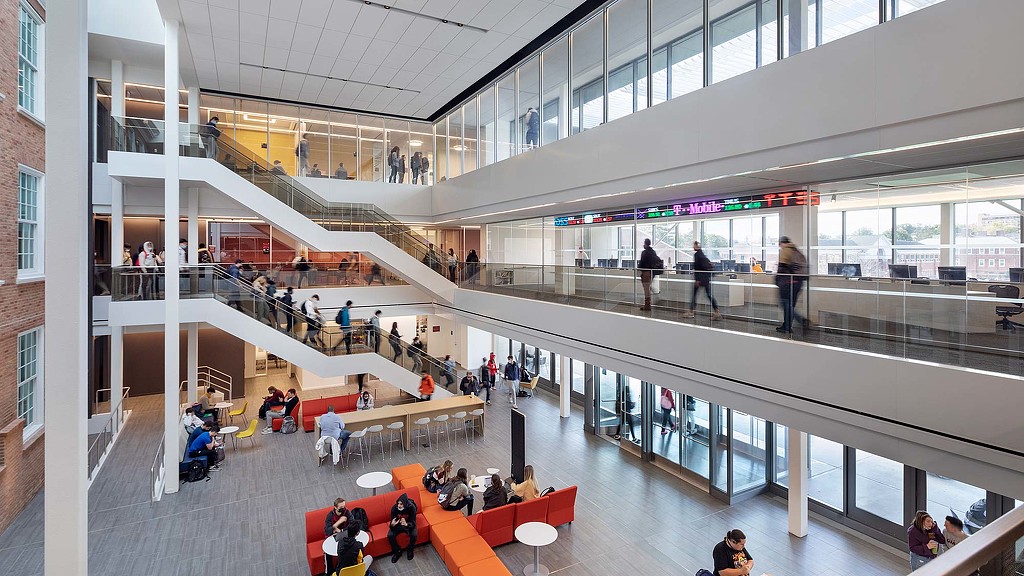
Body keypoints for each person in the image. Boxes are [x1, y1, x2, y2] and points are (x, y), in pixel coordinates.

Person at [776, 236, 809, 334]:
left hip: (788, 283)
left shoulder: (785, 250)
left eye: (780, 244)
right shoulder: (797, 251)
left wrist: (777, 280)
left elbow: (781, 268)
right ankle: (787, 326)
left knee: (785, 304)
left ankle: (801, 321)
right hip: (799, 283)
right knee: (790, 305)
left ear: (782, 243)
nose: (780, 247)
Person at [682, 241, 722, 321]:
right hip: (705, 278)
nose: (693, 247)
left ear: (696, 246)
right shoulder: (702, 254)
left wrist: (697, 279)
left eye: (694, 245)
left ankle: (691, 312)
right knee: (708, 294)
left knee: (696, 294)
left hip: (700, 279)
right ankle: (717, 312)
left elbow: (698, 268)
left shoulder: (697, 255)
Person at [387, 493, 418, 563]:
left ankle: (410, 549)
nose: (399, 506)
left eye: (401, 504)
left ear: (405, 504)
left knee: (414, 534)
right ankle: (397, 551)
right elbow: (392, 522)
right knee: (390, 535)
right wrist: (392, 524)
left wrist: (407, 524)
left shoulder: (412, 507)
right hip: (398, 525)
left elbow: (413, 522)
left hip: (408, 524)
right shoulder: (394, 508)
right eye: (398, 503)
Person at [637, 238, 662, 311]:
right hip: (651, 273)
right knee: (648, 287)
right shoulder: (653, 252)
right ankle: (647, 304)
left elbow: (642, 263)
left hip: (646, 273)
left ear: (645, 244)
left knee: (646, 289)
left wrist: (639, 269)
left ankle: (647, 305)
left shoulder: (644, 252)